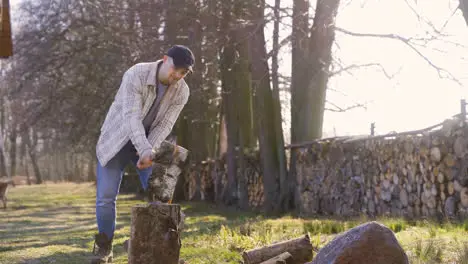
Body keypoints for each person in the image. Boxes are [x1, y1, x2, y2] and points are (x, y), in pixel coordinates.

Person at [91, 45, 194, 264]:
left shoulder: (182, 91)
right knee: (105, 198)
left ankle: (162, 249)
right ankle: (104, 248)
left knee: (163, 194)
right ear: (165, 59)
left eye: (183, 73)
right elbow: (131, 117)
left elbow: (166, 124)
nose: (177, 76)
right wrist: (144, 148)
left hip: (148, 144)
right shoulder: (136, 74)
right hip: (117, 139)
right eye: (176, 69)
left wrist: (150, 150)